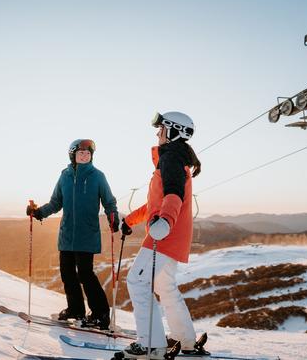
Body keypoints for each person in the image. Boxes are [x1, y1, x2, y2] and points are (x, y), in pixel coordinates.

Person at [120, 111, 202, 359]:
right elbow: (154, 205)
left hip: (165, 236)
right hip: (171, 234)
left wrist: (165, 221)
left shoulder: (172, 158)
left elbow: (174, 195)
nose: (157, 133)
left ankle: (151, 345)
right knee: (164, 285)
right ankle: (184, 339)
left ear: (174, 131)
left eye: (161, 128)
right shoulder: (172, 159)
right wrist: (129, 220)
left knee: (136, 281)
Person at [26, 139, 119, 330]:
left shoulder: (98, 176)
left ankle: (100, 314)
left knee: (86, 275)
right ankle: (75, 309)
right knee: (67, 274)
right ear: (73, 156)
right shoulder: (65, 176)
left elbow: (109, 202)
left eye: (87, 153)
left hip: (87, 234)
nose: (84, 156)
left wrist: (113, 217)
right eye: (80, 153)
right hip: (67, 235)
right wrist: (38, 213)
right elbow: (55, 202)